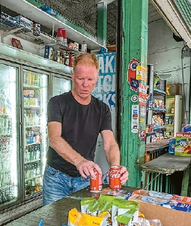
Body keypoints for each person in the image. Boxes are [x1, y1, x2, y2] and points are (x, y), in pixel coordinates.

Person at [43, 53, 128, 205]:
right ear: (72, 75)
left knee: (84, 221)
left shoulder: (102, 109)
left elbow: (110, 144)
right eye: (81, 79)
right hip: (56, 177)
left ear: (97, 78)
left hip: (86, 178)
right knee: (53, 223)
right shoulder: (57, 103)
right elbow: (54, 139)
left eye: (90, 79)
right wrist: (80, 161)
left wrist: (115, 166)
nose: (85, 84)